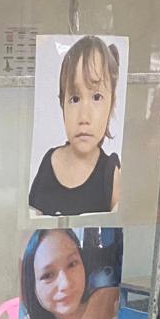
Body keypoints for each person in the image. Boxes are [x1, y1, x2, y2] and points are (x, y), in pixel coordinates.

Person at [29, 34, 122, 216]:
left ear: (111, 104)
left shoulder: (110, 174)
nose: (84, 117)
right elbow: (31, 223)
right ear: (62, 105)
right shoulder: (49, 161)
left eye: (96, 97)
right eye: (75, 99)